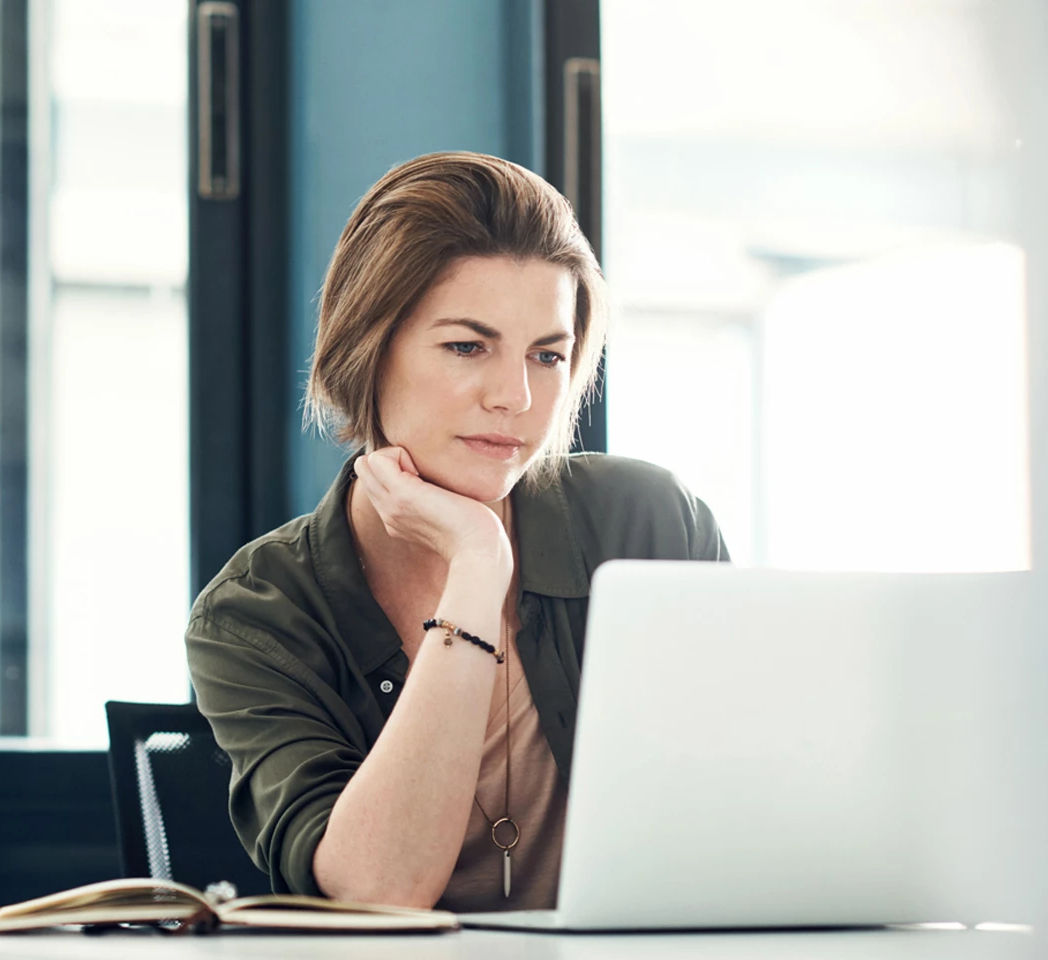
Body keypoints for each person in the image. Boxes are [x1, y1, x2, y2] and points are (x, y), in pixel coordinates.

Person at [185, 152, 729, 913]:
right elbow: (380, 890)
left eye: (548, 355)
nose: (516, 397)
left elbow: (751, 805)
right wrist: (477, 566)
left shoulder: (648, 522)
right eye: (468, 347)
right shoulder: (258, 611)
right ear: (367, 351)